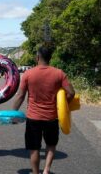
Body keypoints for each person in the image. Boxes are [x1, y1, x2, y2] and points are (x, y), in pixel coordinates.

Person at [12, 46, 75, 174]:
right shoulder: (59, 73)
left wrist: (13, 113)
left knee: (34, 148)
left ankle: (35, 173)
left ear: (37, 57)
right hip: (52, 117)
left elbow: (20, 96)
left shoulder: (28, 74)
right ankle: (46, 171)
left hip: (33, 118)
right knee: (51, 145)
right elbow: (71, 93)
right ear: (50, 58)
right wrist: (63, 106)